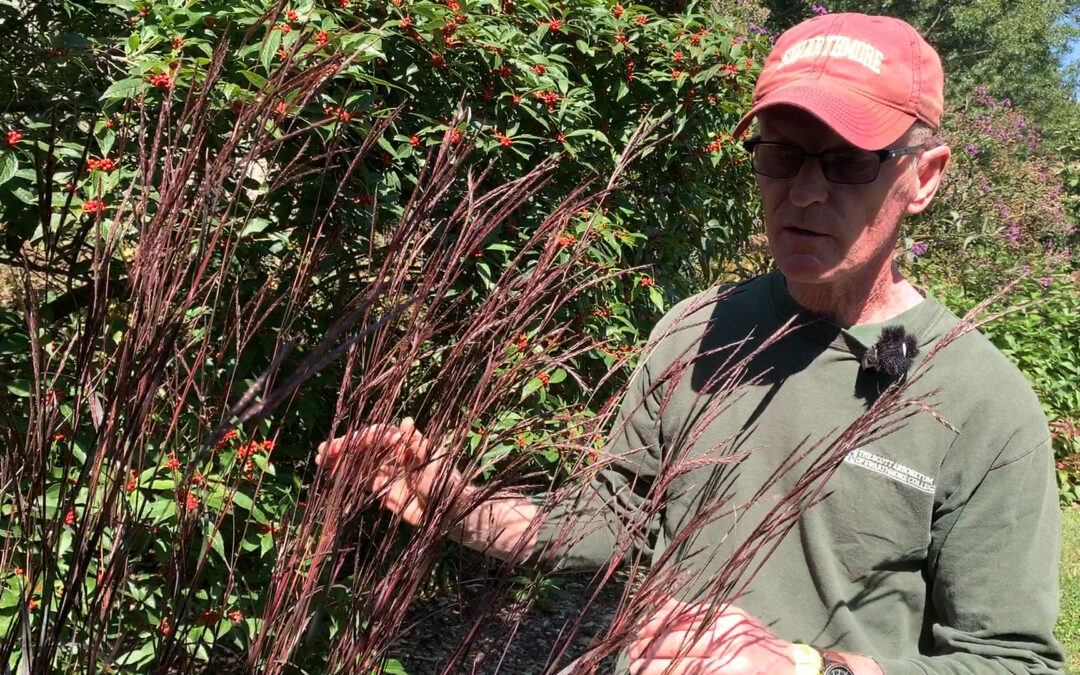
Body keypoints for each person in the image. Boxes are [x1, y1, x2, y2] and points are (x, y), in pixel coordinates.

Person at [318, 13, 1064, 675]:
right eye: (782, 156)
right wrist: (456, 503)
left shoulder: (979, 400)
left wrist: (809, 667)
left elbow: (1014, 661)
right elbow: (614, 522)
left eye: (847, 163)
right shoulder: (697, 329)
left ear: (924, 177)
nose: (805, 192)